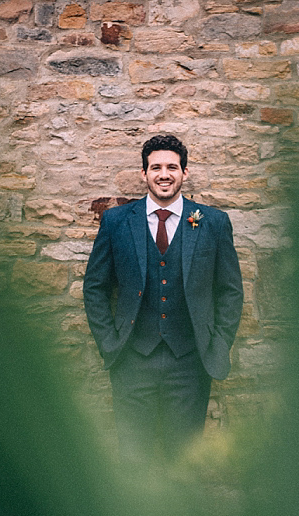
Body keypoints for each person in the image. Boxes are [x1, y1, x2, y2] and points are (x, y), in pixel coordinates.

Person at [83, 134, 244, 457]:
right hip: (131, 360)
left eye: (172, 167)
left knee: (184, 459)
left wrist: (218, 342)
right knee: (133, 457)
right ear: (144, 174)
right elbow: (95, 287)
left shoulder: (212, 222)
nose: (164, 174)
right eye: (156, 167)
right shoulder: (116, 222)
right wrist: (110, 342)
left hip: (190, 363)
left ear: (184, 173)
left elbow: (230, 291)